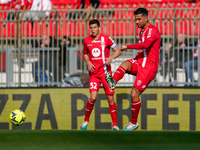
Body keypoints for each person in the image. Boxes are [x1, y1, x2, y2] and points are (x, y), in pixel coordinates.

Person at [105, 8, 161, 131]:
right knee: (125, 64)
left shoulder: (152, 30)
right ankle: (112, 83)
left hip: (149, 67)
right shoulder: (142, 31)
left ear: (146, 18)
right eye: (135, 19)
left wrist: (128, 46)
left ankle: (133, 123)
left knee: (134, 93)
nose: (136, 22)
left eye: (139, 19)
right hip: (140, 62)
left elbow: (146, 45)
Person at [80, 19, 121, 131]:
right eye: (91, 28)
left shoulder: (107, 39)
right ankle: (86, 120)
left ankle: (115, 125)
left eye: (94, 27)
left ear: (99, 28)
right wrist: (88, 62)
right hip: (94, 74)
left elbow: (118, 50)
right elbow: (85, 53)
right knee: (93, 98)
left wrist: (111, 58)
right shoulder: (87, 40)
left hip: (106, 74)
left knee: (110, 98)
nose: (93, 30)